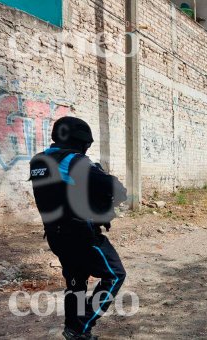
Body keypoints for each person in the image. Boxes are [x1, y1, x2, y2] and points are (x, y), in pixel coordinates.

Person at [30, 117, 127, 340]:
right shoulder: (75, 162)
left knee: (76, 282)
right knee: (114, 275)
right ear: (81, 141)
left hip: (56, 235)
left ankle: (72, 328)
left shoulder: (39, 161)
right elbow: (116, 188)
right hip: (82, 236)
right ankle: (81, 329)